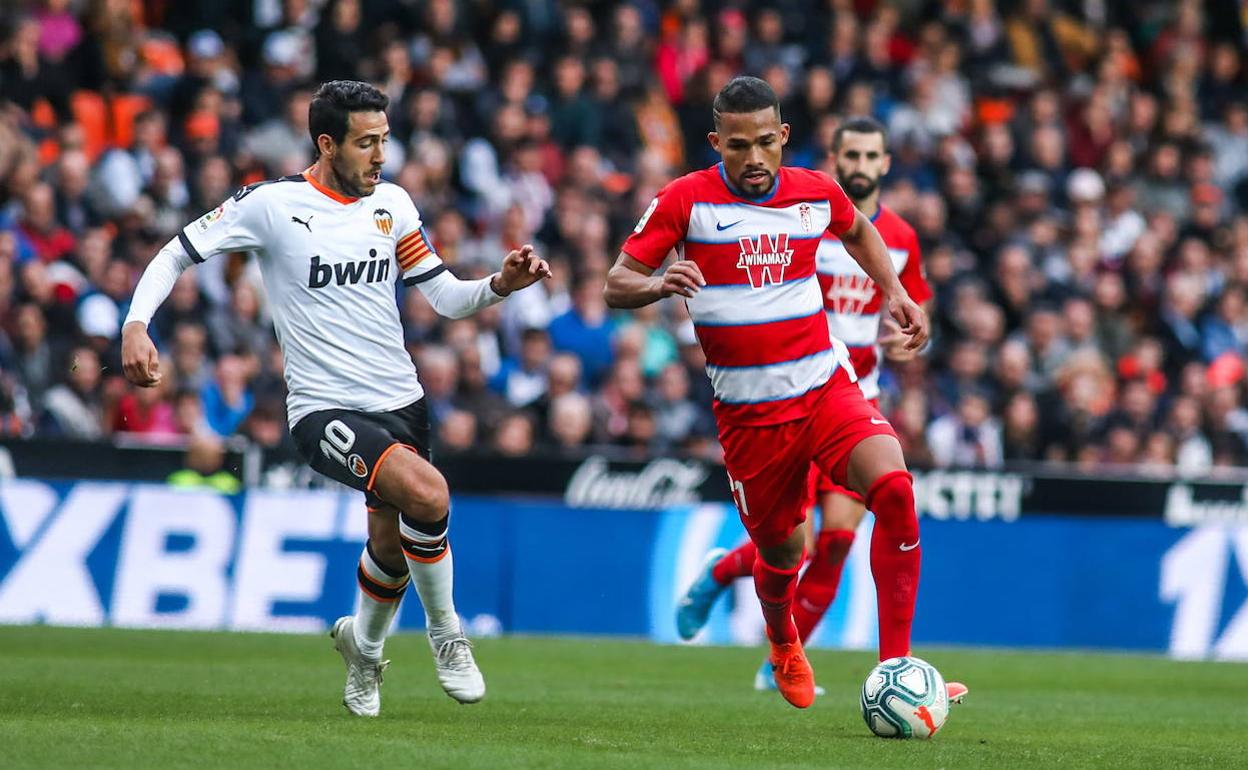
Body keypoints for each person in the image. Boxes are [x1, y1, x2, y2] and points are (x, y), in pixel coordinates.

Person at [120, 80, 550, 717]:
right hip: (322, 409)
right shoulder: (271, 205)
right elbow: (175, 253)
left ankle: (363, 653)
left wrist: (497, 285)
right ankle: (447, 636)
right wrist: (135, 323)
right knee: (429, 495)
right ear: (327, 143)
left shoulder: (394, 205)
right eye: (367, 143)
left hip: (400, 400)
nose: (382, 155)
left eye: (385, 139)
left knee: (390, 545)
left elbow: (444, 297)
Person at [604, 76, 935, 710]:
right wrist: (657, 285)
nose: (753, 159)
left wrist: (896, 292)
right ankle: (782, 638)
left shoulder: (813, 191)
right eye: (736, 146)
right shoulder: (683, 200)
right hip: (752, 419)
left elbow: (861, 230)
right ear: (715, 143)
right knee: (783, 551)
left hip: (825, 388)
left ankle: (896, 666)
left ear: (782, 136)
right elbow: (617, 282)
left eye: (764, 143)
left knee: (893, 491)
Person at [682, 117, 955, 699]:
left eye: (870, 155)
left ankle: (870, 671)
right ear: (835, 157)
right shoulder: (803, 214)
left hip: (851, 393)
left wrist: (905, 324)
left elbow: (912, 302)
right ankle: (725, 574)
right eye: (849, 154)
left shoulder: (901, 237)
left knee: (838, 540)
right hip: (778, 393)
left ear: (885, 163)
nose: (859, 164)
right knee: (789, 543)